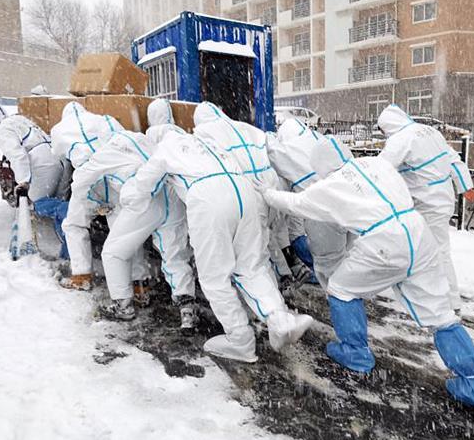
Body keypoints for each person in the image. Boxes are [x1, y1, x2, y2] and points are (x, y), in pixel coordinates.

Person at [260, 136, 474, 414]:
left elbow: (295, 203)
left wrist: (266, 193)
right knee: (441, 315)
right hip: (416, 232)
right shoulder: (377, 163)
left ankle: (356, 353)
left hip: (384, 242)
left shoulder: (331, 186)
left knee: (341, 289)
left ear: (321, 165)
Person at [118, 114, 313, 363]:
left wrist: (127, 199)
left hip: (208, 198)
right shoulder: (206, 142)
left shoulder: (166, 147)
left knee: (215, 277)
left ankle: (240, 340)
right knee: (250, 267)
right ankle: (280, 319)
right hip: (244, 192)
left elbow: (141, 186)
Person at [89, 99, 198, 328]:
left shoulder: (146, 138)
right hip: (176, 201)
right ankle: (186, 308)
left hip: (151, 197)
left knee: (114, 251)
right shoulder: (185, 137)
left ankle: (123, 306)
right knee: (175, 256)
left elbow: (144, 173)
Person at [377, 105, 474, 311]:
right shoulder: (430, 131)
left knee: (436, 251)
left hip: (426, 202)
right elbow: (453, 160)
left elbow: (380, 169)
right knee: (421, 247)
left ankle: (450, 301)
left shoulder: (401, 139)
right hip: (442, 198)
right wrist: (465, 186)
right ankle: (426, 292)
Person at [192, 102, 301, 283]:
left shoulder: (205, 135)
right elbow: (276, 152)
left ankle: (274, 294)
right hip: (271, 186)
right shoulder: (247, 129)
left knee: (256, 253)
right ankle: (286, 274)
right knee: (269, 235)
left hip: (249, 193)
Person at [50, 102, 146, 291]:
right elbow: (121, 139)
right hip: (114, 175)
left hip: (87, 177)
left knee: (74, 225)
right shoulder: (104, 120)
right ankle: (138, 284)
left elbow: (58, 155)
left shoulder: (58, 129)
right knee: (125, 230)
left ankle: (82, 275)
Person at [266, 118, 352, 287]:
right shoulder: (318, 139)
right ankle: (342, 275)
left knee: (300, 238)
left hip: (315, 203)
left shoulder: (287, 151)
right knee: (345, 249)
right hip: (347, 199)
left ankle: (323, 276)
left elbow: (268, 147)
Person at [0, 102, 69, 258]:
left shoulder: (2, 130)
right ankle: (68, 251)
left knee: (39, 204)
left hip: (42, 163)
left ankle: (69, 211)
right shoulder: (19, 120)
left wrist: (23, 181)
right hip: (57, 159)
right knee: (55, 204)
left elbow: (18, 155)